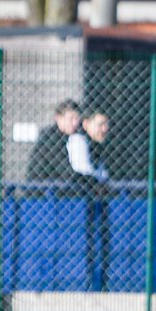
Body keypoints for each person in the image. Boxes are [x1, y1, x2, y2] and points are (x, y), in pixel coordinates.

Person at [67, 108, 112, 291]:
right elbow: (83, 172)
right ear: (86, 124)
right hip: (80, 204)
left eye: (107, 125)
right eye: (100, 124)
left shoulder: (100, 147)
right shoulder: (79, 141)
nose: (104, 129)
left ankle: (100, 284)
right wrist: (98, 184)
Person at [26, 99, 81, 182]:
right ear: (58, 118)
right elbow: (65, 171)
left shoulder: (69, 137)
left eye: (77, 118)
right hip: (43, 189)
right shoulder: (50, 138)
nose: (75, 123)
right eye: (71, 118)